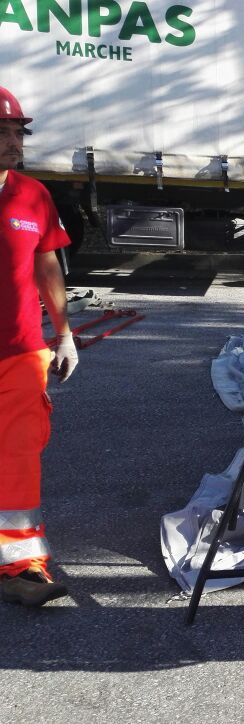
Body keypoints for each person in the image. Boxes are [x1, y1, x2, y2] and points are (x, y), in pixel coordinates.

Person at [0, 86, 76, 607]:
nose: (14, 142)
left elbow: (47, 264)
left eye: (17, 133)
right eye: (2, 132)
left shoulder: (33, 195)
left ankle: (21, 566)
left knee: (18, 461)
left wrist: (65, 334)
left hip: (22, 353)